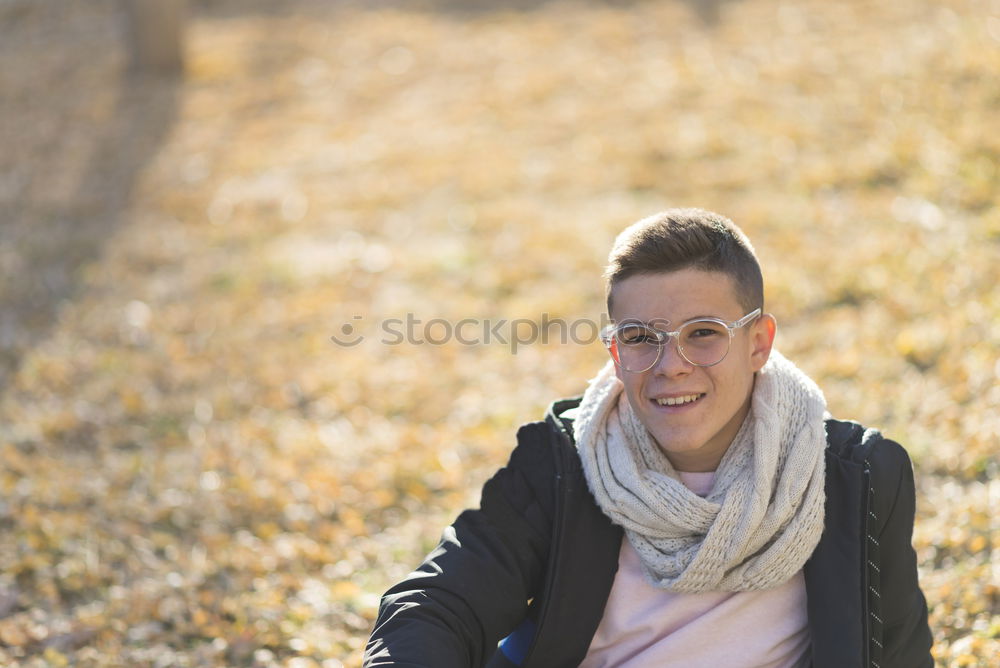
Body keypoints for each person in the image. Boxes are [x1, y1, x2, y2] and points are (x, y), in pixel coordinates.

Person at [363, 209, 932, 667]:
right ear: (615, 352)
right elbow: (437, 604)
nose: (671, 365)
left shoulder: (854, 476)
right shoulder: (563, 462)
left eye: (703, 334)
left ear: (759, 342)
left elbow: (897, 652)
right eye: (640, 337)